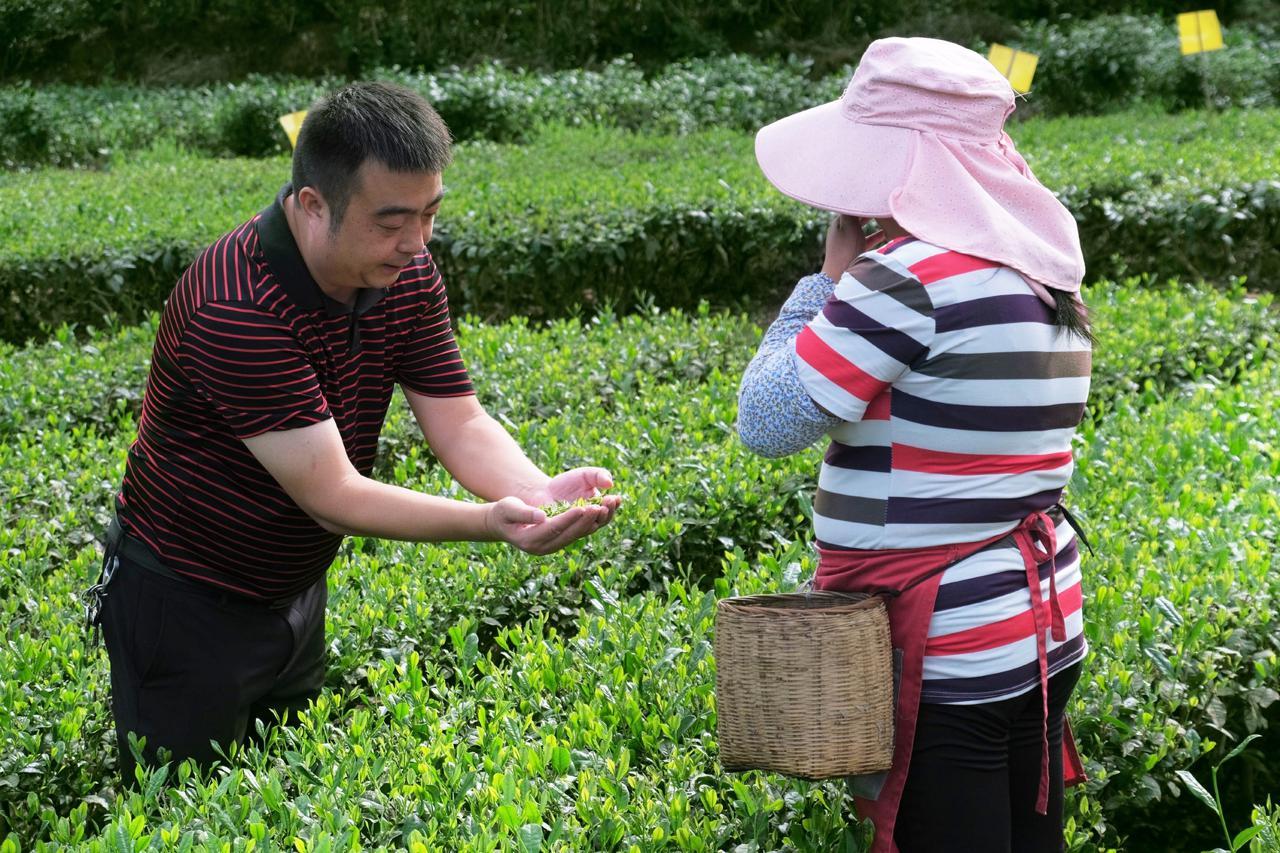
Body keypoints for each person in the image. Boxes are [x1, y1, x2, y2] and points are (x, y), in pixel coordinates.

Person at [85, 81, 620, 780]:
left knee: (281, 800)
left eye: (430, 213)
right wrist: (491, 521)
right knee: (182, 816)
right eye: (391, 220)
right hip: (187, 605)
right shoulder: (236, 302)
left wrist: (535, 487)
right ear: (313, 204)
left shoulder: (406, 269)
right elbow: (331, 492)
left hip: (295, 592)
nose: (416, 242)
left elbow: (457, 417)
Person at [737, 38, 1093, 853]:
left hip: (950, 658)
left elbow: (767, 419)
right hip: (1040, 630)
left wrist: (825, 282)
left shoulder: (907, 278)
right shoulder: (1039, 271)